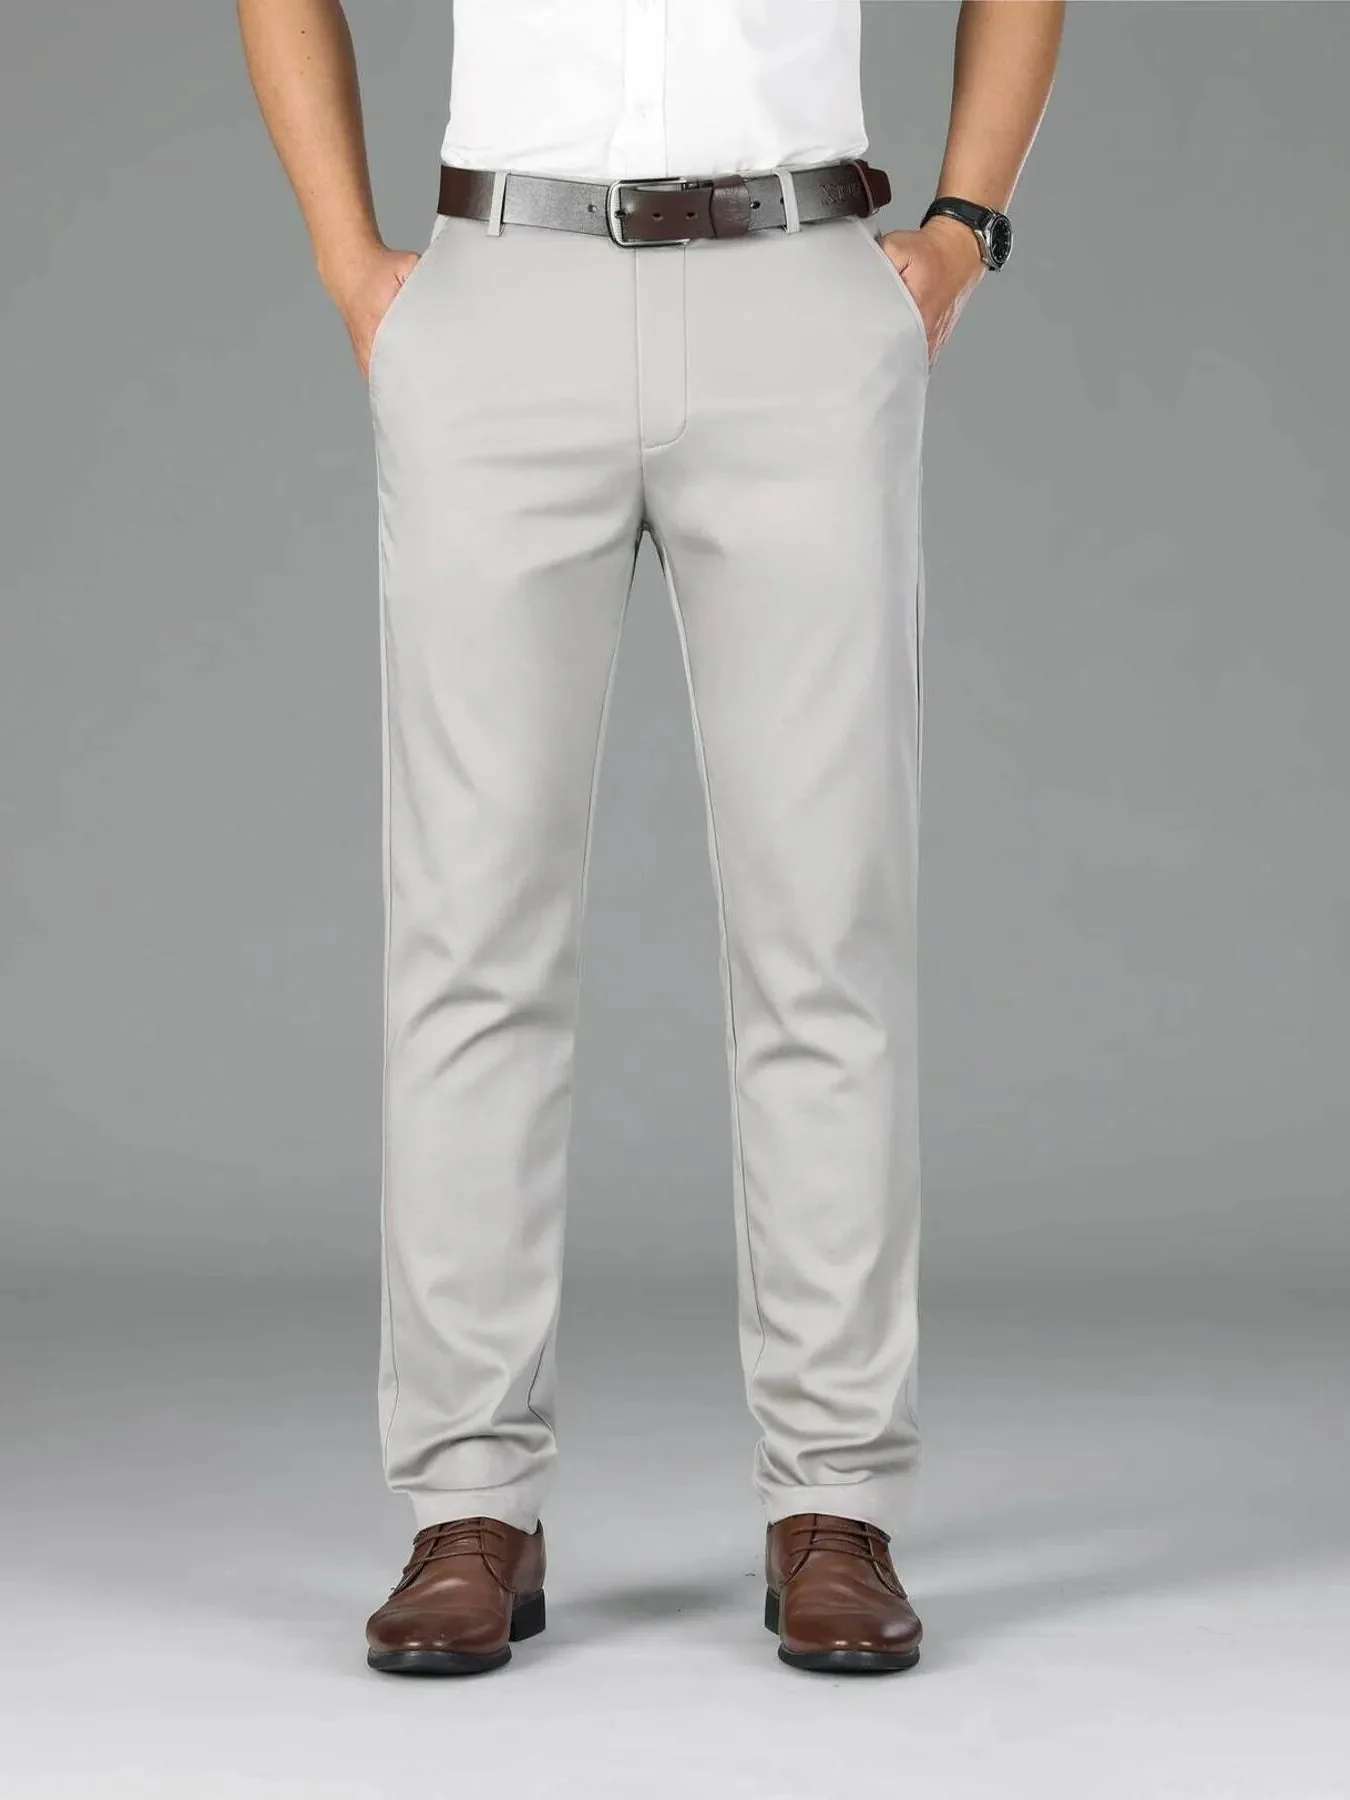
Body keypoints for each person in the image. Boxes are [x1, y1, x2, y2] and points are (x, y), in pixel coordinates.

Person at [238, 0, 1064, 1677]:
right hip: (502, 290)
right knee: (469, 935)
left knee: (825, 932)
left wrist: (961, 228)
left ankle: (833, 1498)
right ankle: (468, 1500)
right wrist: (346, 259)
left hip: (799, 287)